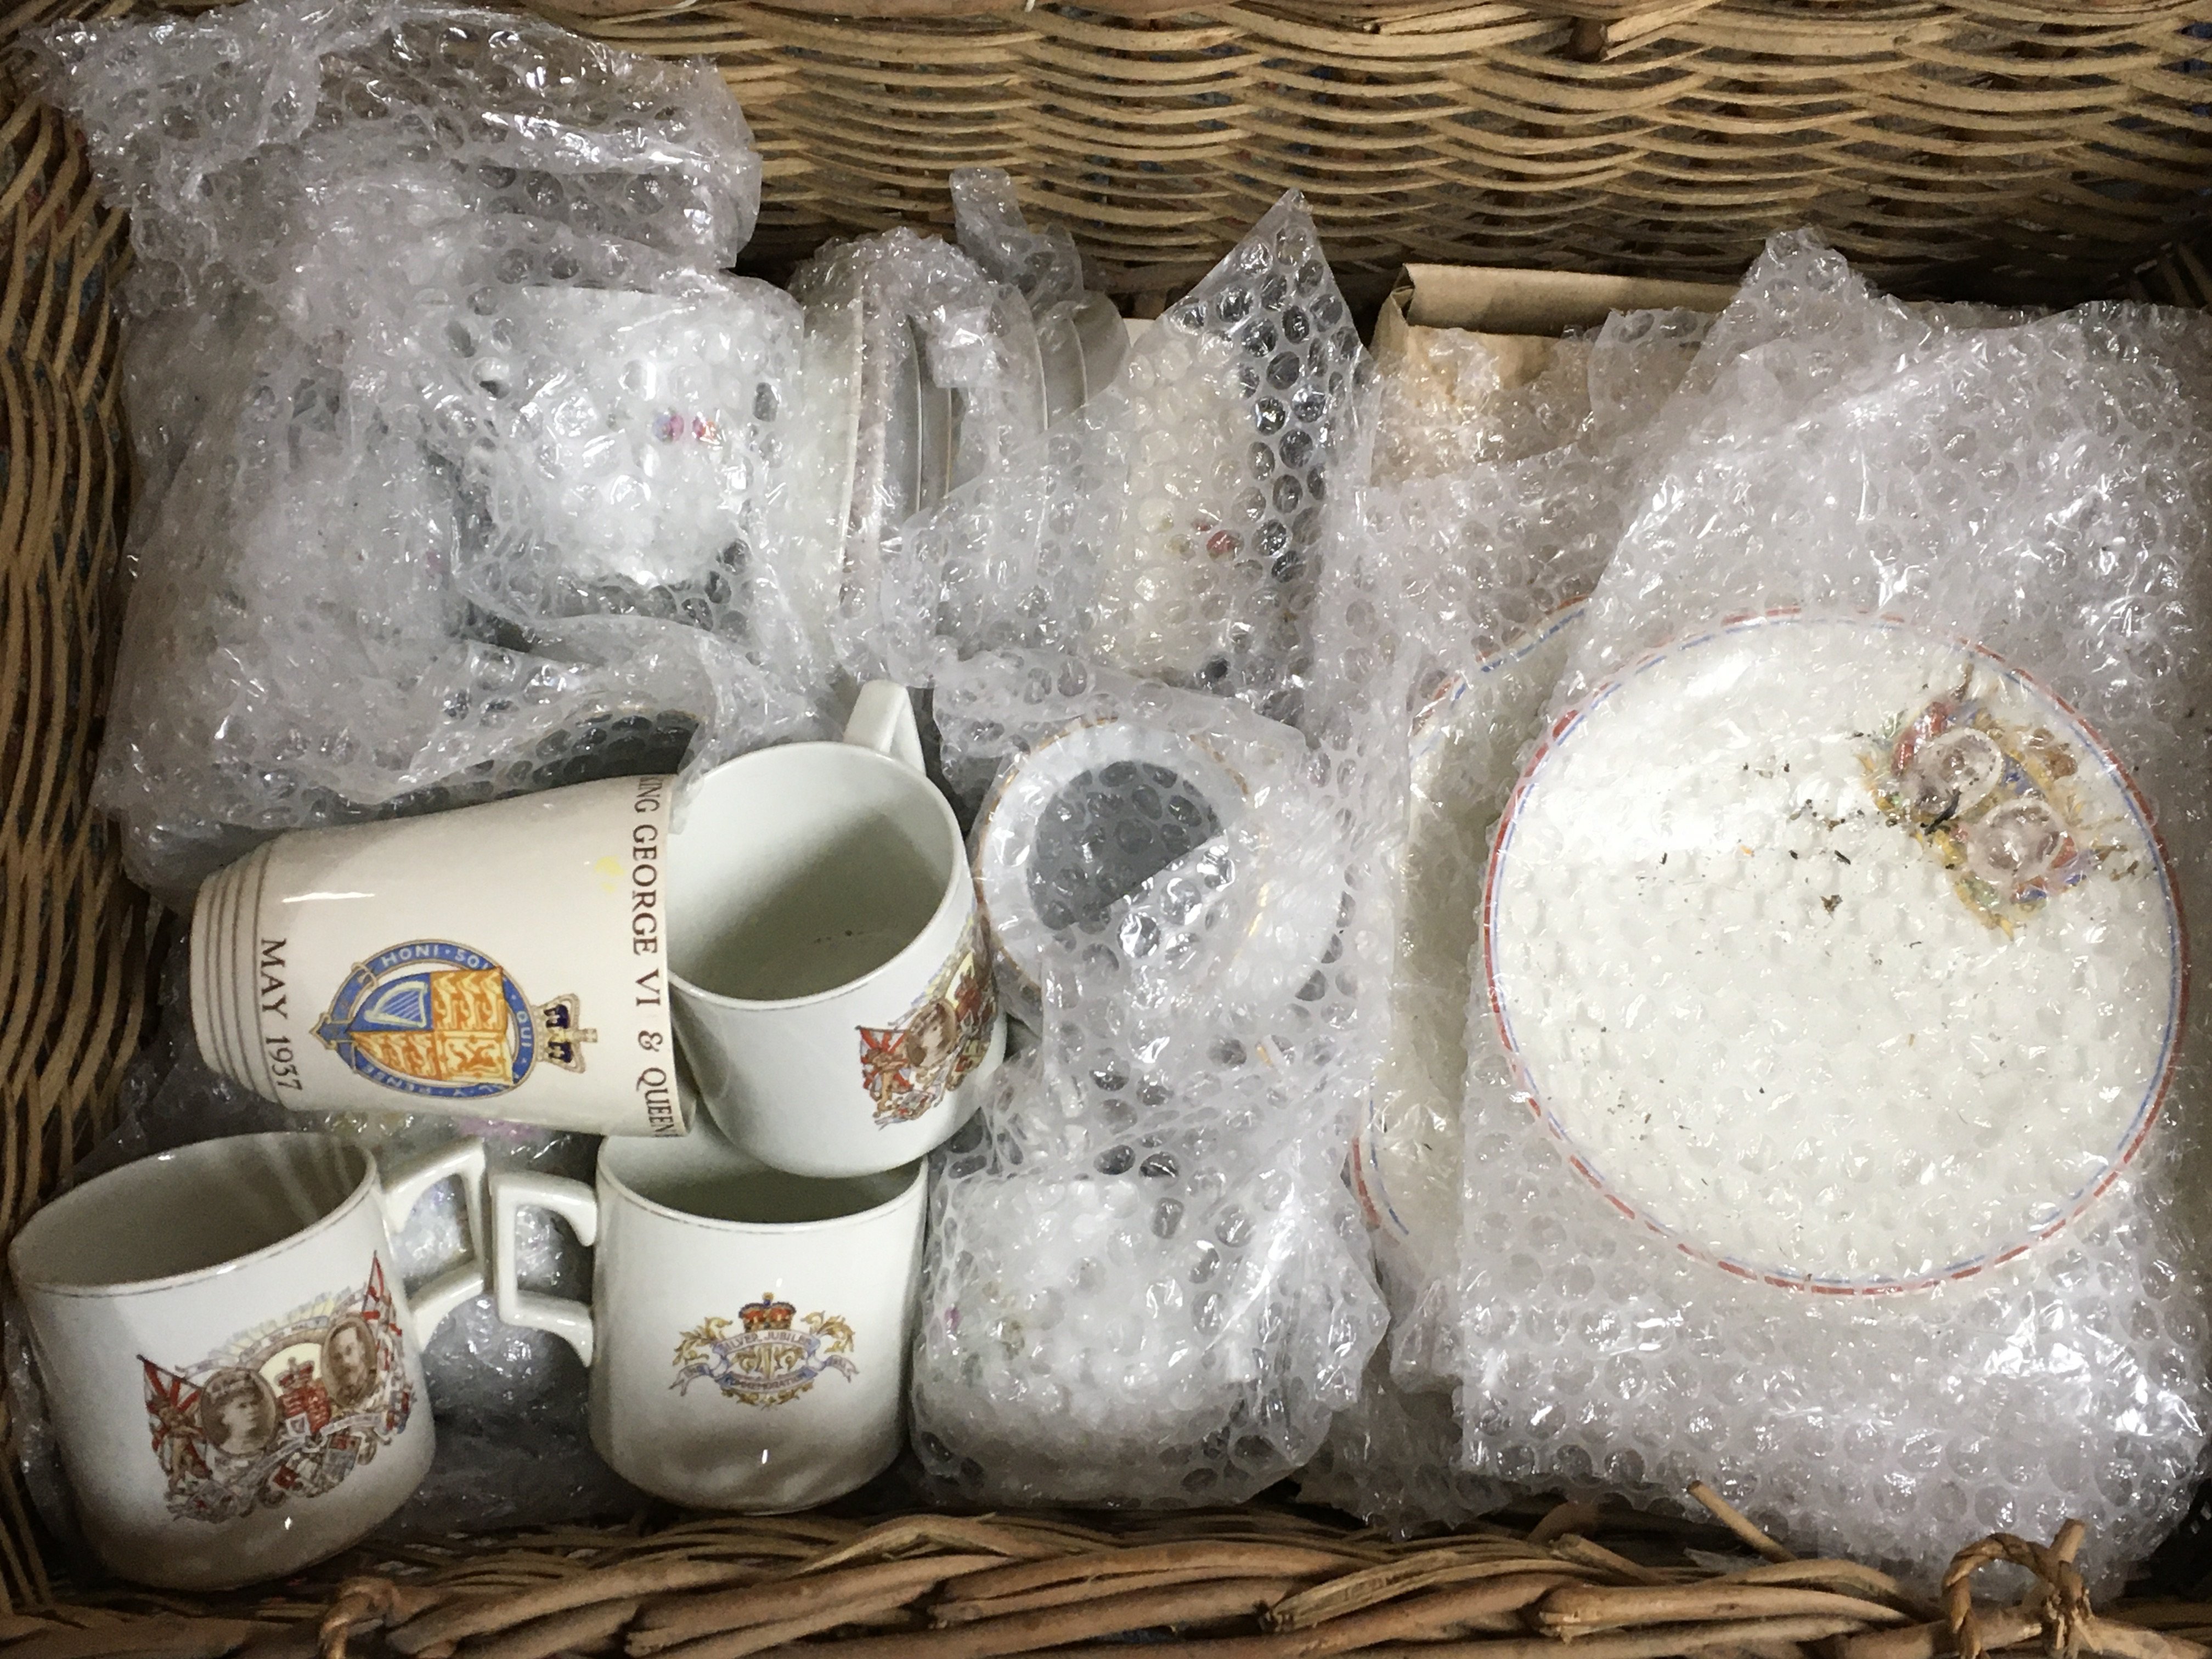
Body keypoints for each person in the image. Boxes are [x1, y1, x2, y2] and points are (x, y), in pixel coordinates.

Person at [198, 1368, 278, 1458]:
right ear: (223, 1416)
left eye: (254, 1403)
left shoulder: (271, 1440)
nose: (252, 1410)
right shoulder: (217, 1456)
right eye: (242, 1406)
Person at [321, 1315, 379, 1413]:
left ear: (362, 1349)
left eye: (349, 1351)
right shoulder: (340, 1399)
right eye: (337, 1357)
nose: (345, 1362)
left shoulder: (377, 1382)